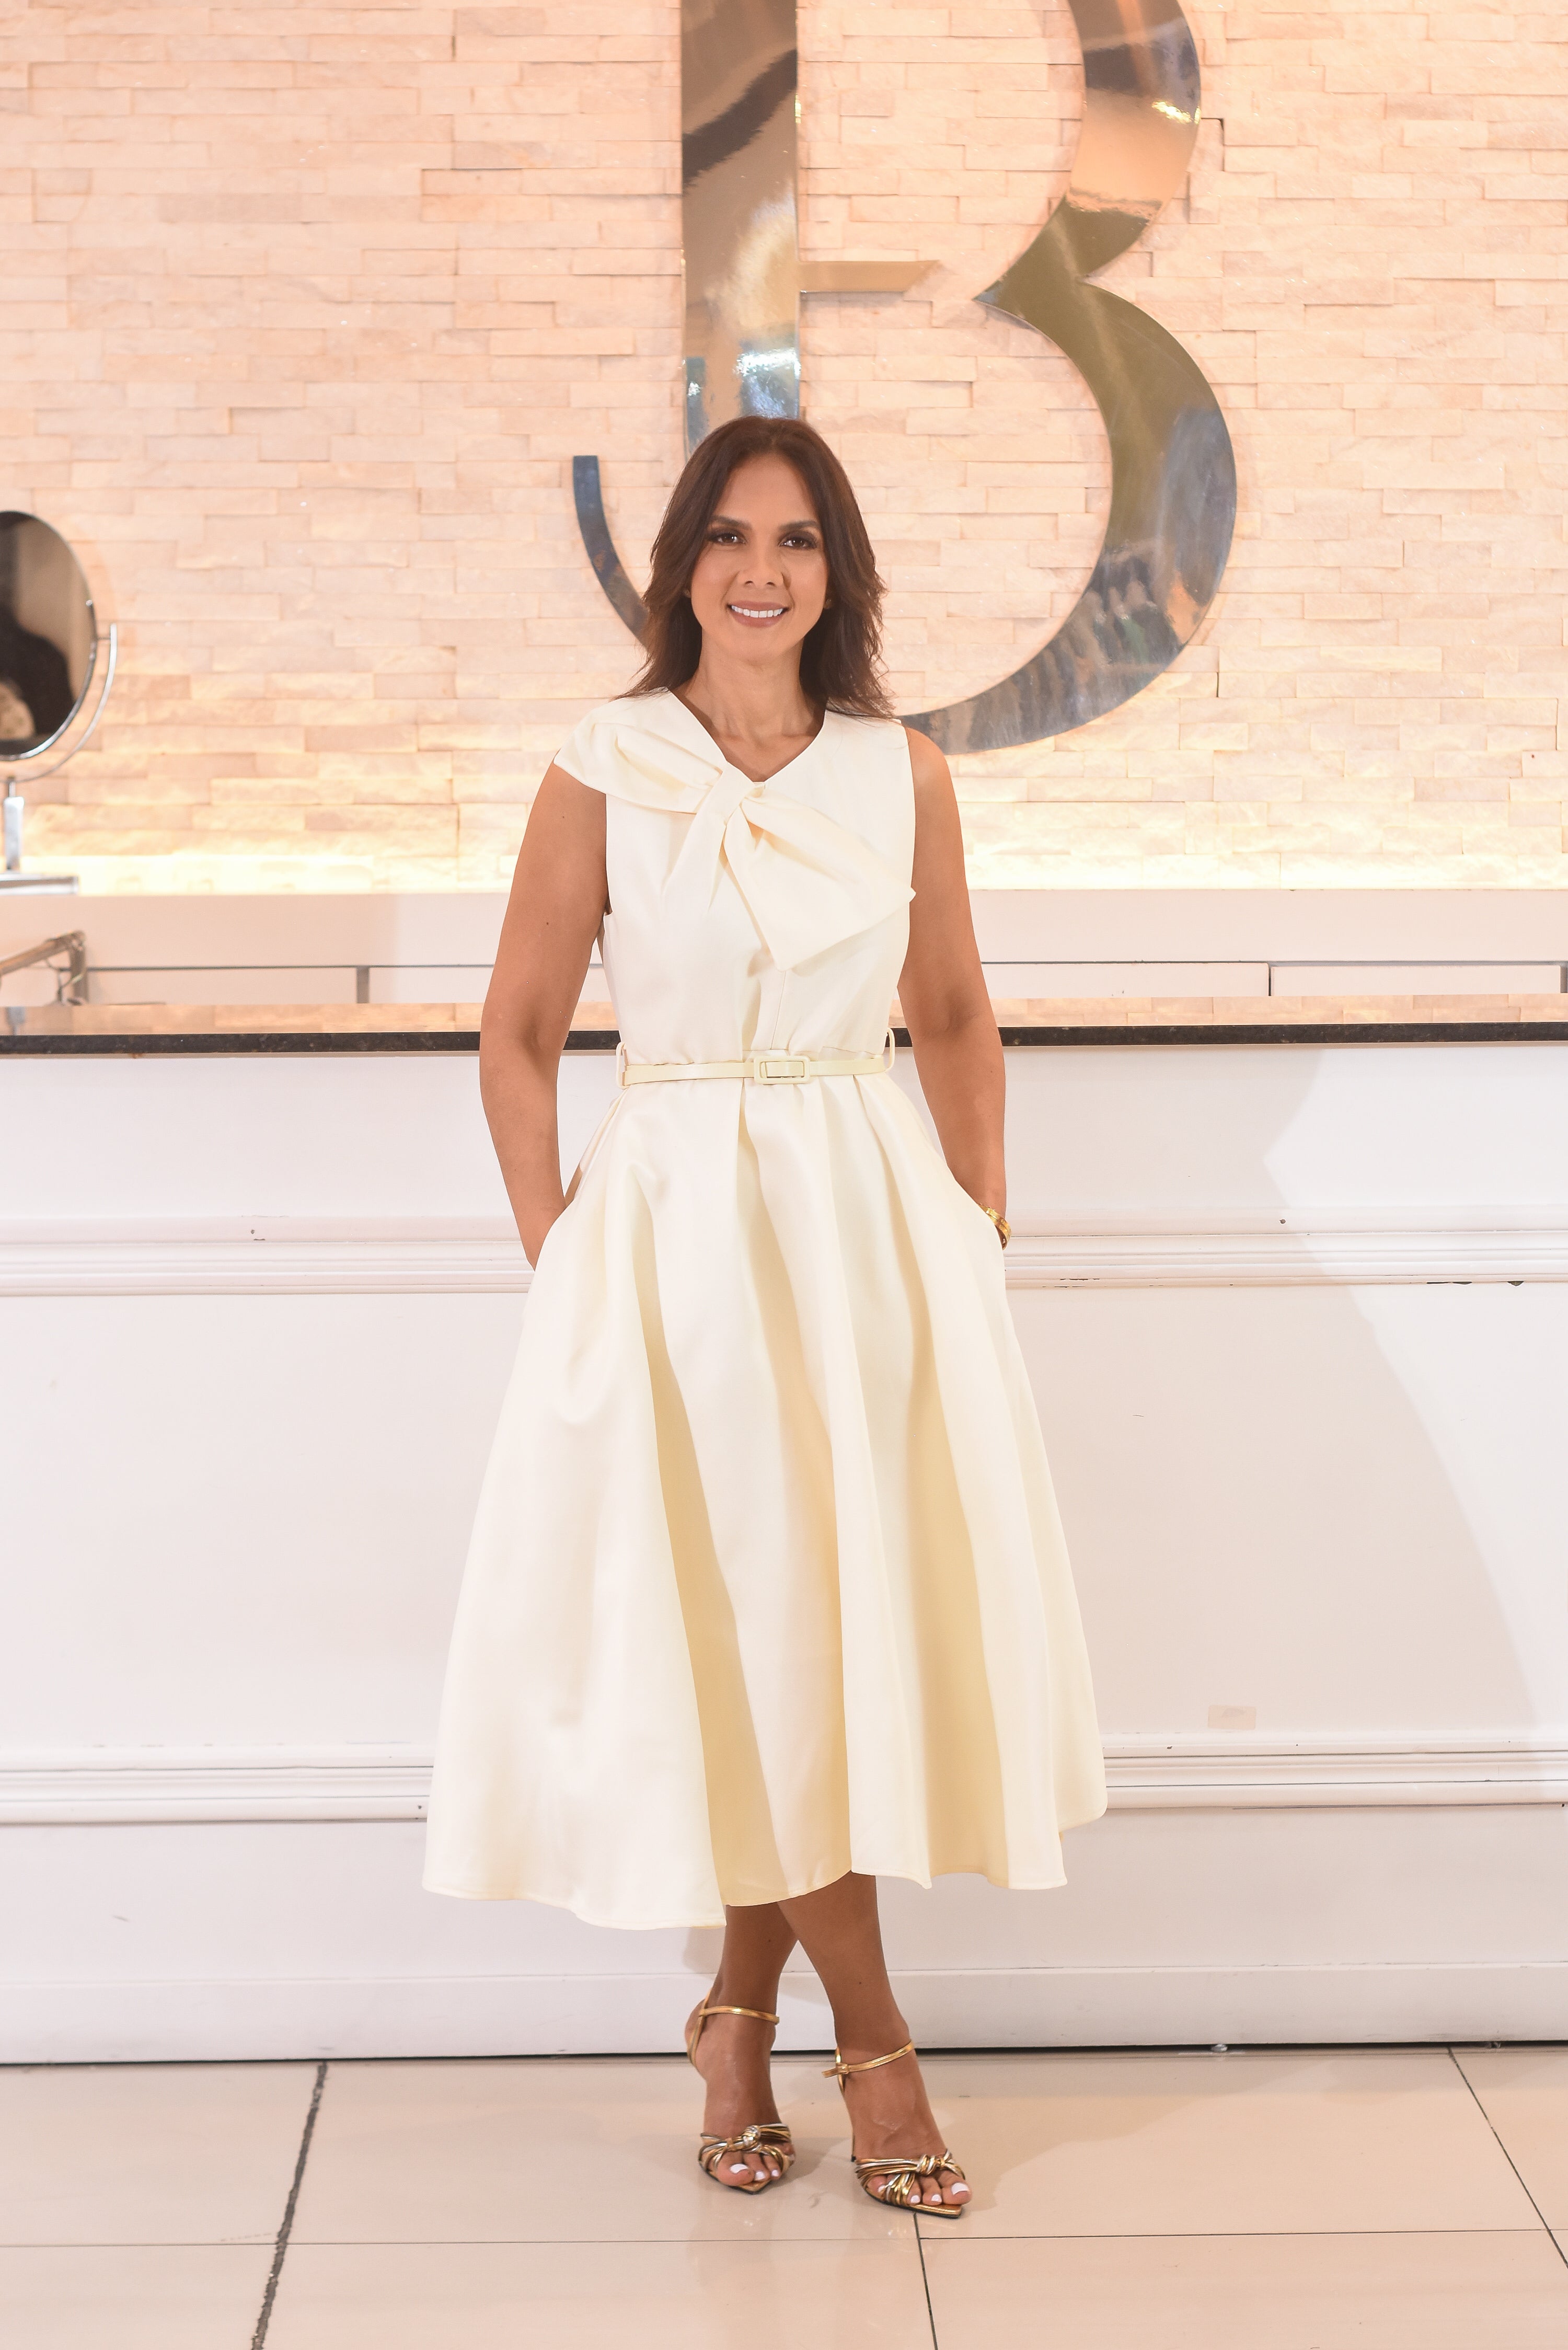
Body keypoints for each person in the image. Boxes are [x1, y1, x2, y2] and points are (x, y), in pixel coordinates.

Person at [424, 415, 1105, 2216]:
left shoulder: (903, 773)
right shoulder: (603, 765)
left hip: (863, 1230)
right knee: (748, 1625)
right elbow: (516, 1032)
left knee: (805, 1635)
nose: (760, 570)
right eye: (729, 536)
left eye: (796, 540)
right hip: (671, 1238)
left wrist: (977, 1226)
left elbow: (953, 1012)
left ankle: (735, 2018)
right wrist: (558, 1247)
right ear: (682, 567)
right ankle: (877, 2051)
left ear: (836, 572)